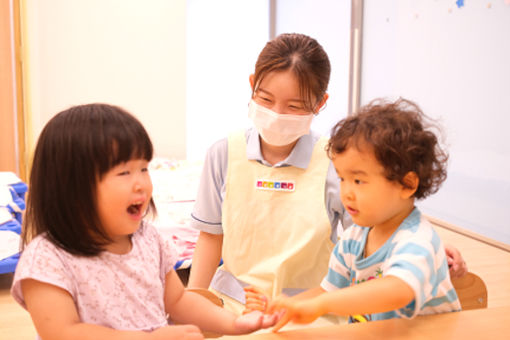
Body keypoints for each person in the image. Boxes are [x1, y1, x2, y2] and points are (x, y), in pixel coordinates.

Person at [188, 33, 466, 315]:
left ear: (320, 103)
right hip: (243, 301)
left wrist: (434, 249)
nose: (276, 113)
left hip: (313, 309)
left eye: (294, 106)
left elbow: (387, 230)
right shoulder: (224, 153)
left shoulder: (337, 160)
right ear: (252, 86)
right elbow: (211, 237)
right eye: (265, 99)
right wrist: (191, 305)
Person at [10, 104, 277, 340]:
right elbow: (63, 333)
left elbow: (179, 300)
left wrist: (235, 322)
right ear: (72, 189)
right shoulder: (47, 259)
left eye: (143, 169)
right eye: (124, 172)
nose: (141, 184)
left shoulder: (148, 240)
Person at [266, 98, 462, 332]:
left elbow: (397, 290)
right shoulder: (352, 240)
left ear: (407, 184)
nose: (346, 192)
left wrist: (321, 305)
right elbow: (327, 291)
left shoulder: (418, 241)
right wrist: (288, 308)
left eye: (358, 180)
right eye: (342, 179)